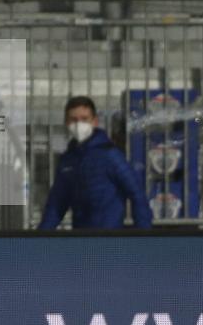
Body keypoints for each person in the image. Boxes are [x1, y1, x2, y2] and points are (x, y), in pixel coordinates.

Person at [39, 96, 152, 230]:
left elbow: (137, 194)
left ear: (95, 122)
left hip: (109, 241)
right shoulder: (68, 160)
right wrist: (40, 238)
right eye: (73, 120)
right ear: (66, 122)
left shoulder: (110, 156)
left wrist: (143, 237)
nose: (78, 124)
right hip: (81, 240)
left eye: (84, 119)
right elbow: (57, 203)